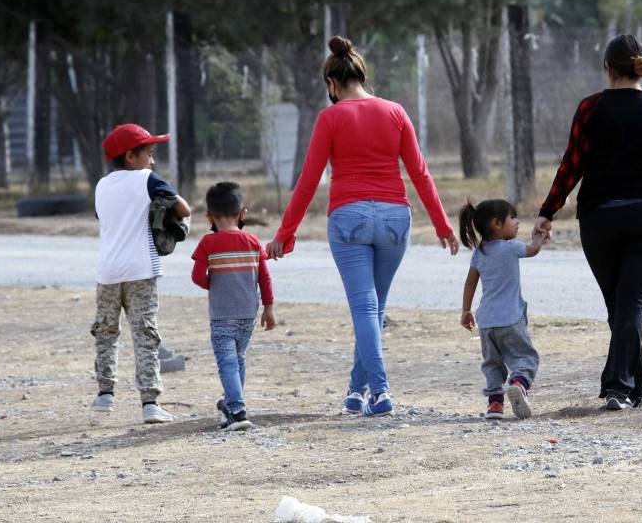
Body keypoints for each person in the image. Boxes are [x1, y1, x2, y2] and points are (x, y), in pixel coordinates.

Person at [267, 36, 457, 417]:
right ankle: (357, 391)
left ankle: (381, 392)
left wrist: (285, 234)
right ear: (361, 75)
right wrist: (441, 224)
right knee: (374, 307)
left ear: (331, 84)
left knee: (365, 307)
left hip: (349, 217)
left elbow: (308, 180)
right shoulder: (396, 111)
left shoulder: (330, 117)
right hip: (394, 218)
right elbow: (419, 173)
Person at [534, 34, 642, 411]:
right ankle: (631, 383)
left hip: (599, 218)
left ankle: (621, 385)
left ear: (607, 68)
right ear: (639, 69)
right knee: (628, 305)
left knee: (618, 305)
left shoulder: (590, 109)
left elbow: (572, 165)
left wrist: (547, 211)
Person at [91, 123, 191, 424]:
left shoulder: (101, 185)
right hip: (141, 271)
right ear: (131, 156)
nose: (153, 160)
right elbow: (184, 209)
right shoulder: (147, 179)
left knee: (106, 332)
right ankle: (150, 402)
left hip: (107, 272)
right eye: (149, 153)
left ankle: (105, 394)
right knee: (145, 334)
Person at [191, 181, 276, 431]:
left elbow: (197, 277)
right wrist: (269, 308)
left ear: (209, 216)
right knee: (238, 358)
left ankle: (237, 411)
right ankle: (230, 402)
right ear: (243, 214)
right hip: (248, 314)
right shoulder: (252, 241)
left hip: (221, 316)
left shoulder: (208, 243)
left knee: (227, 361)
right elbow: (265, 277)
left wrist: (216, 285)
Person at [458, 199, 546, 420]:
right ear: (497, 223)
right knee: (526, 358)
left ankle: (495, 405)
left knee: (493, 365)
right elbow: (533, 250)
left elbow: (470, 283)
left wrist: (466, 310)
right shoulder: (512, 247)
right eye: (513, 218)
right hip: (511, 318)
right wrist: (539, 236)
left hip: (486, 322)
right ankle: (519, 384)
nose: (517, 222)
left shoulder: (480, 253)